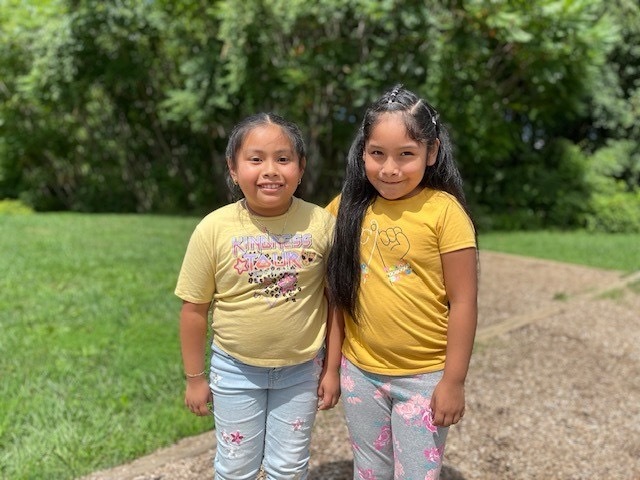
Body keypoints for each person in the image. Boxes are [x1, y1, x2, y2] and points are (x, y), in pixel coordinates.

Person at [175, 112, 343, 480]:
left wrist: (332, 369)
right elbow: (193, 310)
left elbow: (335, 304)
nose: (270, 170)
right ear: (233, 169)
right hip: (235, 371)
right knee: (236, 467)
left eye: (283, 159)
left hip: (302, 372)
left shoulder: (322, 225)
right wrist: (194, 378)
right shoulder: (213, 229)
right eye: (256, 159)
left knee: (289, 467)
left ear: (301, 168)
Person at [326, 85, 478, 480]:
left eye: (405, 155)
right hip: (360, 372)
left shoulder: (444, 212)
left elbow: (463, 302)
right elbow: (301, 234)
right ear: (362, 152)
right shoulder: (346, 209)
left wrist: (454, 380)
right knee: (369, 472)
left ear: (431, 152)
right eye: (377, 153)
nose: (389, 168)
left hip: (425, 378)